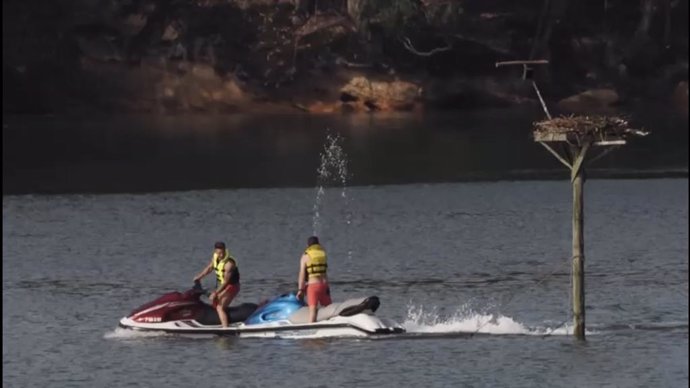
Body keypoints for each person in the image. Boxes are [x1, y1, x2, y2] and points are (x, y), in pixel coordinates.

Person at [192, 241, 240, 327]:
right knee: (214, 303)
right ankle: (220, 322)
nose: (220, 255)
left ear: (225, 250)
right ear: (215, 252)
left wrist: (215, 293)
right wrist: (199, 276)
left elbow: (225, 282)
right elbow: (210, 268)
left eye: (222, 253)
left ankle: (226, 329)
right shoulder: (215, 257)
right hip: (223, 286)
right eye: (218, 253)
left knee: (219, 307)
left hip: (231, 286)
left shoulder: (229, 264)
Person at [296, 236, 331, 323]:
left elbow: (302, 274)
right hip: (324, 285)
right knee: (329, 309)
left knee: (313, 312)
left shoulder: (305, 256)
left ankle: (311, 332)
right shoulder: (323, 254)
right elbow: (325, 273)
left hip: (313, 287)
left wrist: (300, 290)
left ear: (308, 245)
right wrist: (327, 287)